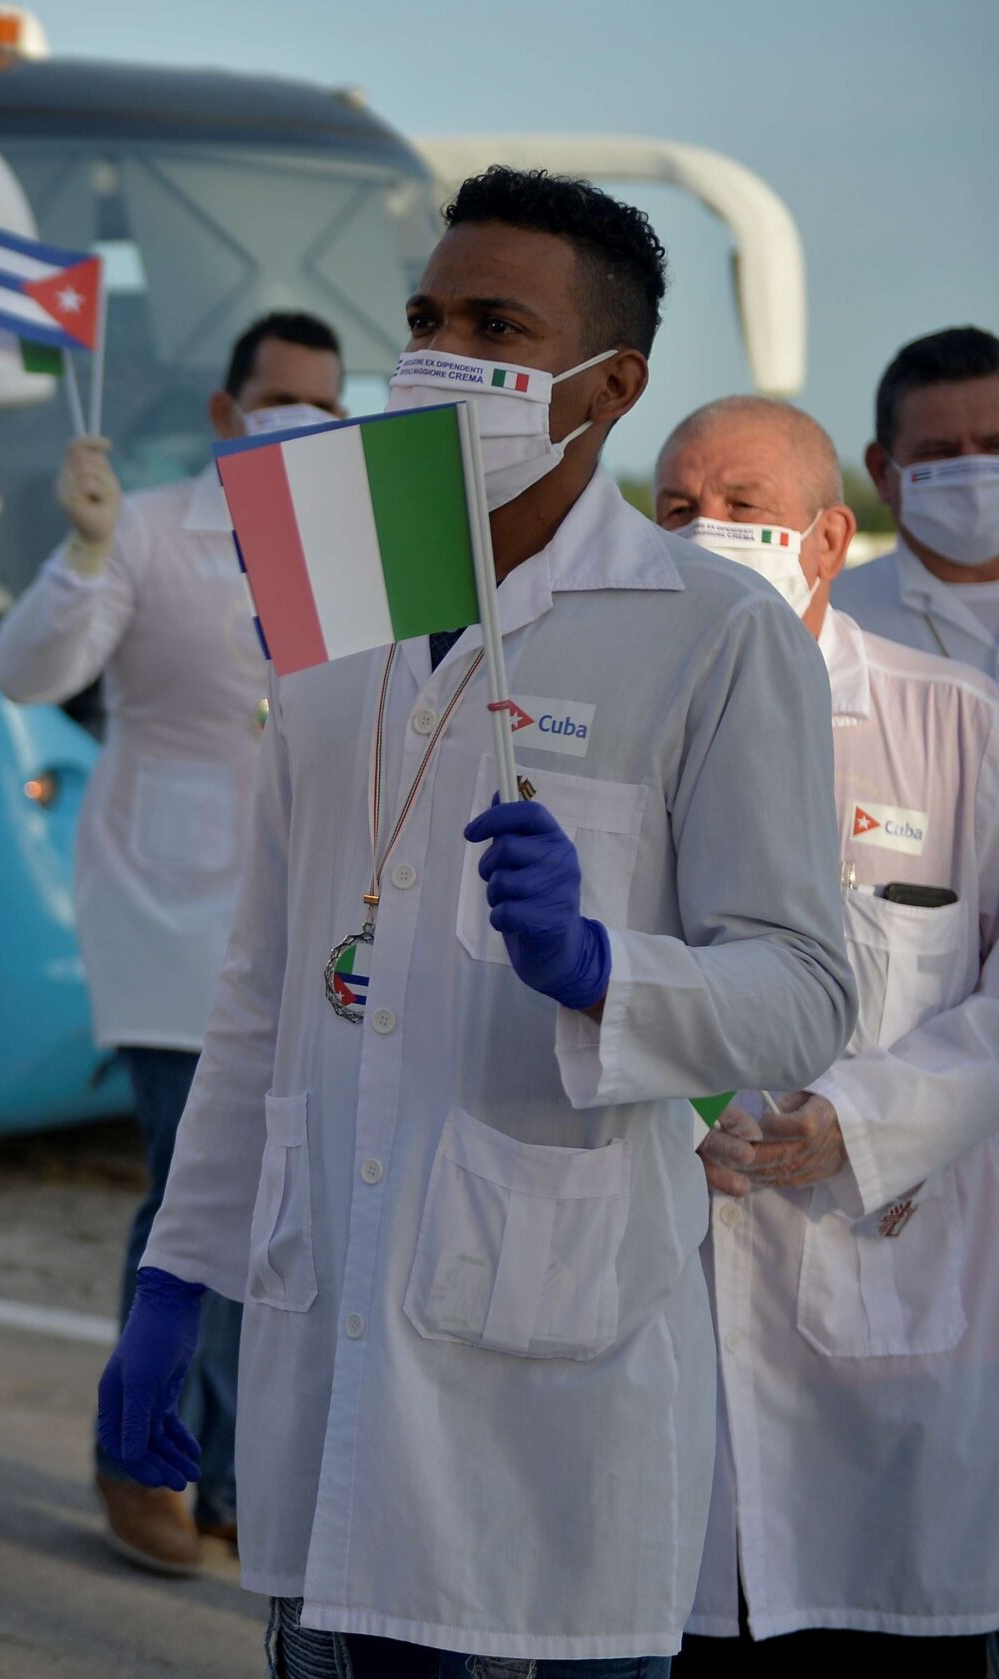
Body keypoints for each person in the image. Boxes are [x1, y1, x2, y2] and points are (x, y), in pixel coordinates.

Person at [97, 167, 858, 1674]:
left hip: (557, 1417)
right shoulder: (338, 604)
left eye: (496, 326)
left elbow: (803, 990)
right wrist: (177, 1278)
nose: (441, 356)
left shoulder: (710, 633)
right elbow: (261, 993)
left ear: (610, 383)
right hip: (328, 1390)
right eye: (428, 319)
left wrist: (602, 971)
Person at [0, 310, 346, 1573]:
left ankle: (241, 1472)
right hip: (170, 910)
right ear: (225, 408)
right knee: (198, 1191)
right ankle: (143, 1451)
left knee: (290, 1203)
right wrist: (83, 552)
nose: (299, 417)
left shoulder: (351, 538)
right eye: (278, 396)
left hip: (322, 918)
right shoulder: (141, 524)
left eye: (323, 398)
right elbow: (29, 671)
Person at [651, 396, 999, 1676]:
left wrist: (866, 1120)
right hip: (671, 1302)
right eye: (680, 508)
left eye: (745, 507)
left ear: (828, 534)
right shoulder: (626, 722)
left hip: (890, 1304)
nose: (708, 528)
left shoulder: (955, 723)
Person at [833, 327, 999, 675]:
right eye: (940, 452)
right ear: (881, 472)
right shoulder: (833, 618)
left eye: (994, 447)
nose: (972, 473)